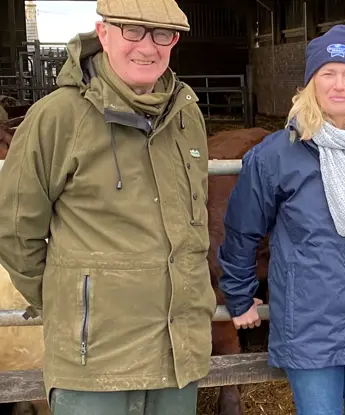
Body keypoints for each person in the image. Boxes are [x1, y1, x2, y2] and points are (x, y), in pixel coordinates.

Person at [0, 0, 215, 414]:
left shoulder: (187, 116)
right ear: (103, 33)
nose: (147, 47)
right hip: (95, 364)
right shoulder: (57, 118)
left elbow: (193, 229)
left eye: (162, 34)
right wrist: (71, 302)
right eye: (132, 30)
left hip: (177, 358)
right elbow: (14, 230)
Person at [217, 24, 345, 415]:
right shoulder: (277, 154)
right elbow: (242, 229)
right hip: (308, 322)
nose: (339, 85)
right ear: (311, 82)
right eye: (328, 73)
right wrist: (240, 295)